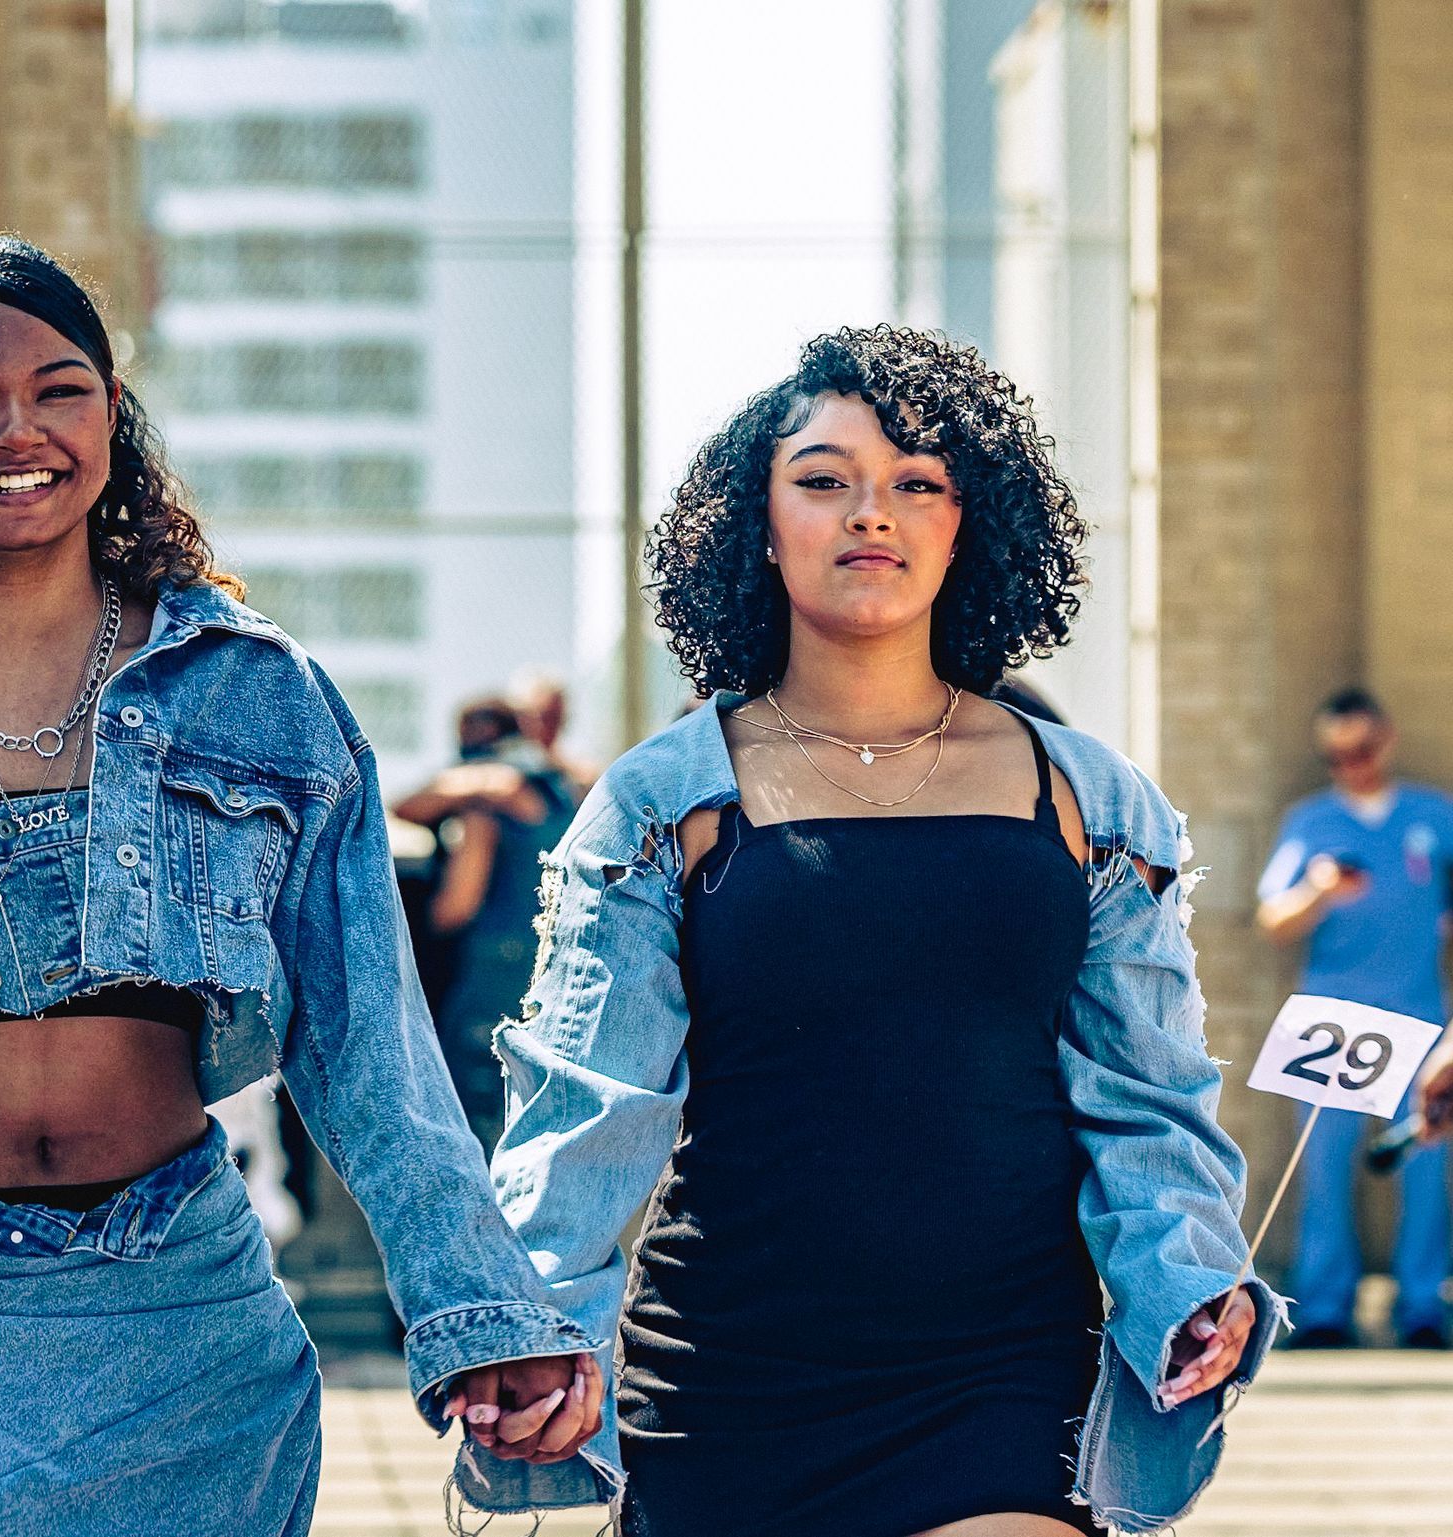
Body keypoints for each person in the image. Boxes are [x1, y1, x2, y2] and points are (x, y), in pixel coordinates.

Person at [0, 236, 601, 1537]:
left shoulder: (259, 695)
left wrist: (481, 1313)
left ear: (112, 410)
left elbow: (374, 1055)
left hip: (183, 1324)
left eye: (59, 388)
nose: (15, 430)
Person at [451, 327, 1282, 1536]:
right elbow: (587, 1106)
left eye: (917, 483)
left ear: (966, 524)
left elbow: (1148, 1097)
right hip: (728, 1382)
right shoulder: (662, 802)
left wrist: (1193, 1281)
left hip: (1004, 1373)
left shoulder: (1090, 802)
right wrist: (525, 1323)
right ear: (761, 522)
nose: (870, 512)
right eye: (824, 478)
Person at [1257, 688, 1453, 1349]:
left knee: (1425, 1161)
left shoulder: (1433, 814)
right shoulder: (1309, 822)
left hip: (1419, 1012)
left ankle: (1422, 1305)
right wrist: (1317, 890)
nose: (1352, 766)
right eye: (1336, 757)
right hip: (1329, 1019)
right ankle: (1322, 1307)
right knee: (1322, 1165)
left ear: (1386, 739)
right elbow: (1273, 919)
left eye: (1363, 750)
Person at [426, 698, 581, 1154]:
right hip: (552, 968)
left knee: (475, 1124)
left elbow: (456, 906)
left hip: (490, 973)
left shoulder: (484, 803)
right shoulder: (564, 788)